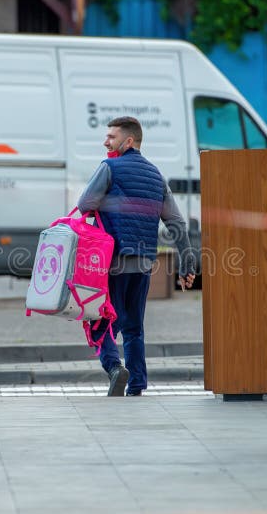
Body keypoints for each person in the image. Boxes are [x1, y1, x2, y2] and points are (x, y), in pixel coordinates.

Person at [78, 116, 196, 396]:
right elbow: (177, 223)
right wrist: (187, 263)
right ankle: (137, 384)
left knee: (100, 321)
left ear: (128, 141)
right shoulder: (157, 176)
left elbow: (84, 204)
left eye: (112, 137)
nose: (106, 141)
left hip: (114, 261)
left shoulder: (109, 167)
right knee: (133, 325)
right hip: (144, 262)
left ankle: (114, 367)